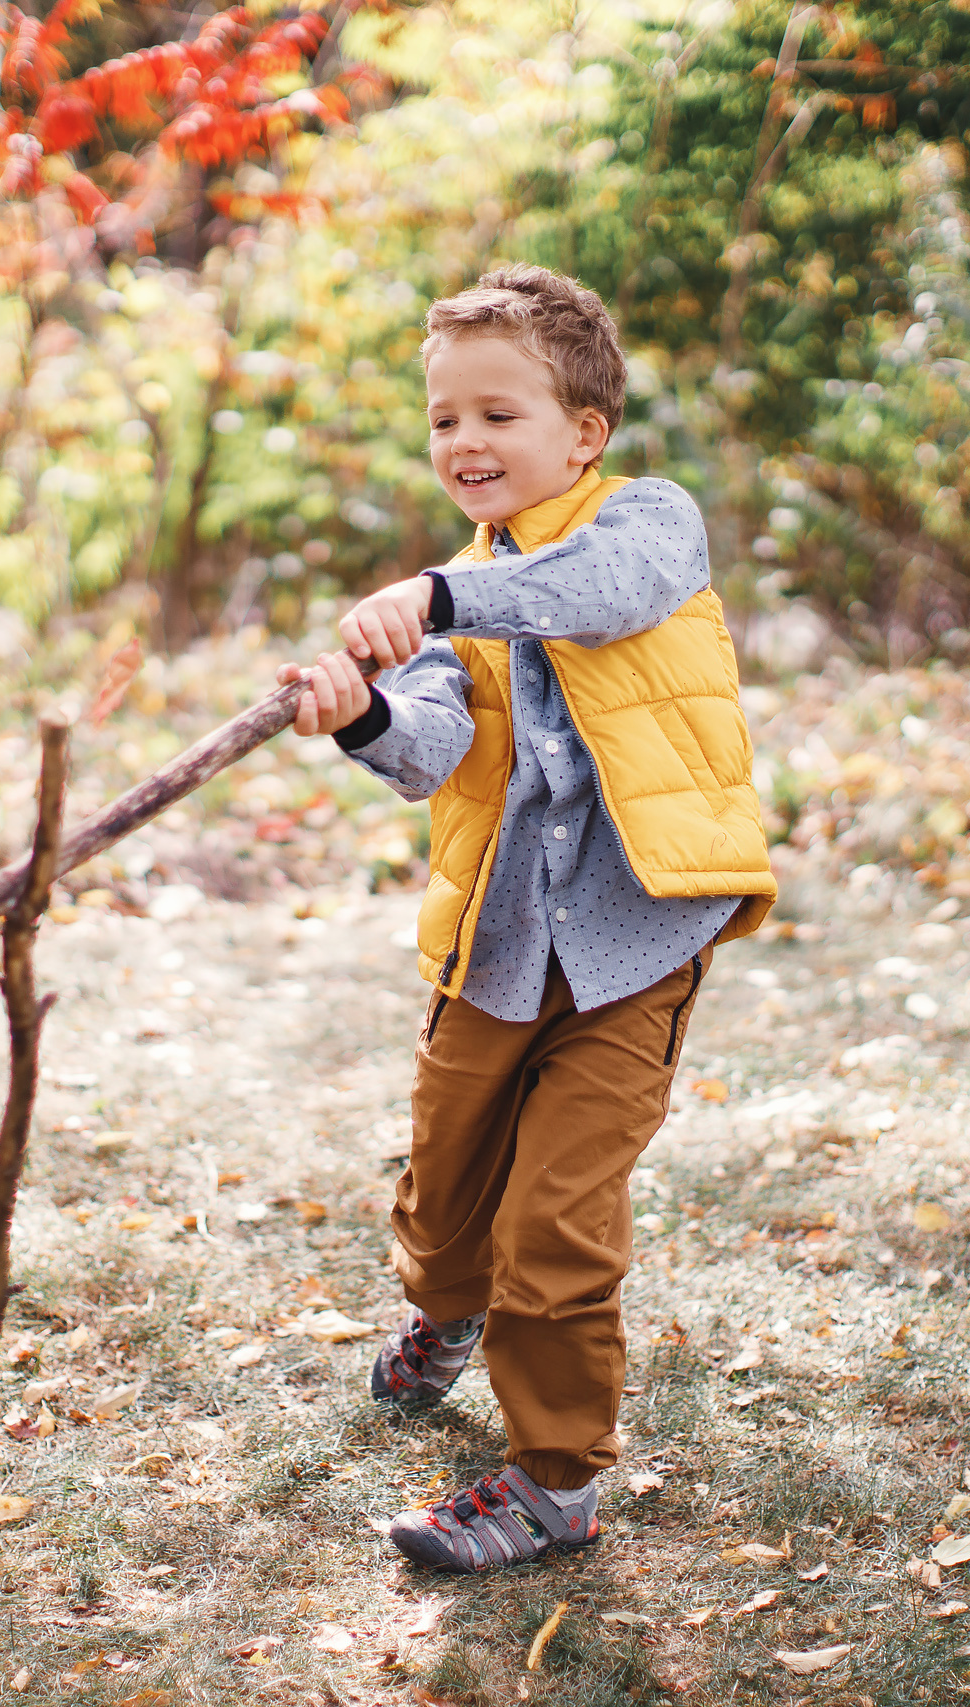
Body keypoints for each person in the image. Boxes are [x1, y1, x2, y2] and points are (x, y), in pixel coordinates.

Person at [277, 263, 776, 1573]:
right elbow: (436, 747)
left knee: (556, 1220)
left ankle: (554, 1479)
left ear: (584, 432)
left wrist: (442, 599)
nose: (465, 443)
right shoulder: (461, 588)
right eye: (445, 419)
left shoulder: (651, 524)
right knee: (447, 1202)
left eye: (498, 415)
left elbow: (594, 598)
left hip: (631, 949)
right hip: (496, 953)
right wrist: (364, 717)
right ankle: (443, 1317)